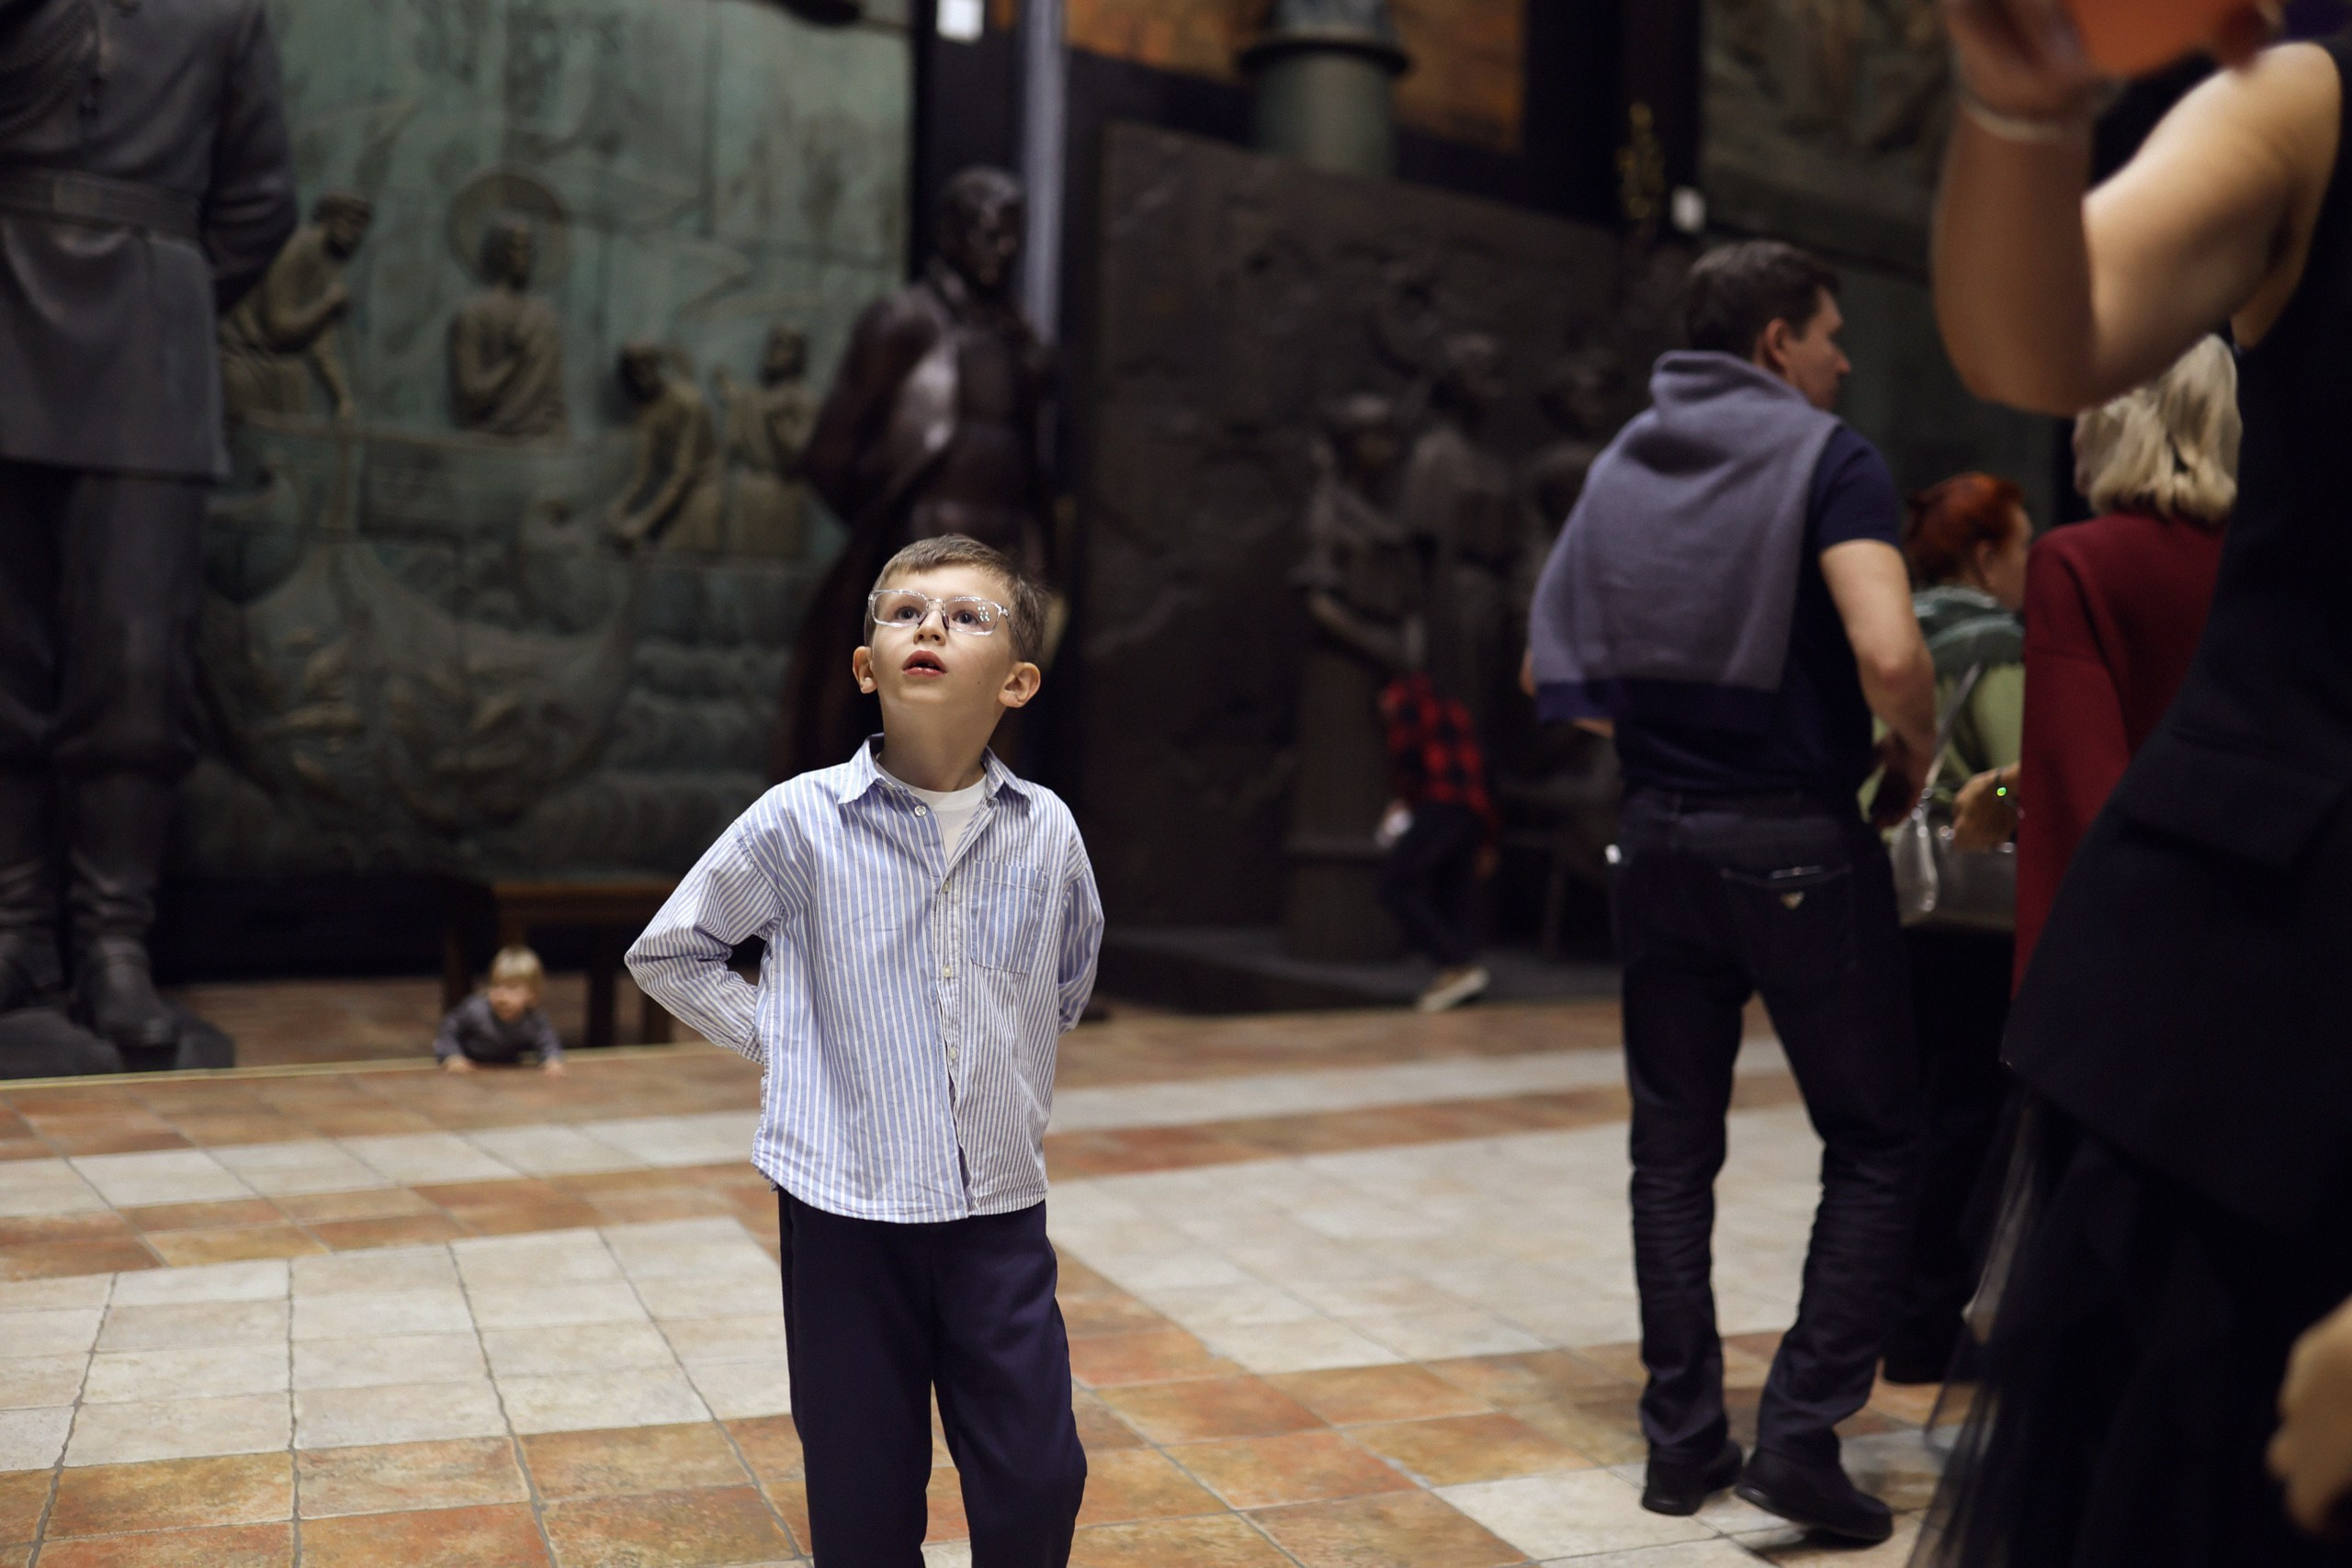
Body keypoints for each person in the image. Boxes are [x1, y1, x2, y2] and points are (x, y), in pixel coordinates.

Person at [1927, 5, 2352, 1563]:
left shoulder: (2089, 564)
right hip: (2253, 1025)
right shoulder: (2310, 100)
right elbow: (2042, 332)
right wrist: (2019, 106)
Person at [1528, 240, 1936, 1544]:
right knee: (1878, 1138)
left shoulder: (1623, 462)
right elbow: (1887, 646)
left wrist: (1670, 753)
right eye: (1828, 333)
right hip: (1799, 845)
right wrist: (1911, 752)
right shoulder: (1833, 458)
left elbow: (1550, 680)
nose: (1843, 358)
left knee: (1671, 1148)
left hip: (1652, 837)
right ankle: (1802, 1438)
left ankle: (1680, 1440)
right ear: (1775, 343)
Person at [628, 535, 1102, 1566]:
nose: (930, 626)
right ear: (865, 665)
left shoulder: (1049, 833)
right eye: (905, 612)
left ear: (1018, 682)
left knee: (1036, 1476)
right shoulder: (797, 823)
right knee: (862, 1485)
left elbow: (1066, 982)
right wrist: (789, 1044)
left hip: (998, 1214)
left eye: (967, 616)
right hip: (844, 1208)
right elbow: (673, 951)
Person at [0, 0, 297, 1051]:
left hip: (146, 345)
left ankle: (115, 944)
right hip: (8, 314)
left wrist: (157, 291)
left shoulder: (226, 14)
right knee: (7, 655)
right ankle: (16, 932)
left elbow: (261, 203)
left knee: (134, 663)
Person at [1954, 340, 2234, 980]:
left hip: (2120, 957)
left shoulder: (2077, 564)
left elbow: (2080, 787)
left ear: (2112, 418)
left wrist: (2001, 787)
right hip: (2244, 929)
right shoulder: (2264, 566)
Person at [781, 168, 1054, 778]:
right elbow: (829, 455)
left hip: (1004, 570)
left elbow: (1031, 470)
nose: (1004, 250)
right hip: (919, 570)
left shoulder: (1020, 344)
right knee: (896, 753)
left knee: (988, 757)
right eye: (989, 233)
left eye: (1013, 236)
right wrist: (896, 538)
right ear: (951, 234)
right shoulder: (903, 322)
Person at [1882, 474, 2030, 1386]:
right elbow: (2024, 772)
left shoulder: (1894, 632)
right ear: (1983, 556)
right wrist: (2009, 790)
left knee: (1901, 1116)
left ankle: (1892, 1313)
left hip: (1887, 896)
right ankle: (1931, 1325)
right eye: (2019, 547)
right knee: (1966, 1119)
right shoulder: (1991, 641)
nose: (2027, 565)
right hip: (1970, 912)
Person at [1375, 670, 1498, 1013]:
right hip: (1472, 812)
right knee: (1453, 893)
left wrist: (1404, 802)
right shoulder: (1454, 707)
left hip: (1442, 804)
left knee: (1394, 883)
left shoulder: (1407, 703)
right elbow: (1486, 769)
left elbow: (1407, 758)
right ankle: (1458, 976)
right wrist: (1489, 837)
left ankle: (1457, 963)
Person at [435, 947, 566, 1076]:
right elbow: (449, 1028)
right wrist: (452, 1056)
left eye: (512, 988)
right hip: (470, 1065)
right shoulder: (475, 1010)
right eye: (496, 985)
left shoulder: (533, 1020)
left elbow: (547, 1040)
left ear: (532, 996)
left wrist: (552, 1060)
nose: (502, 996)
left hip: (506, 1071)